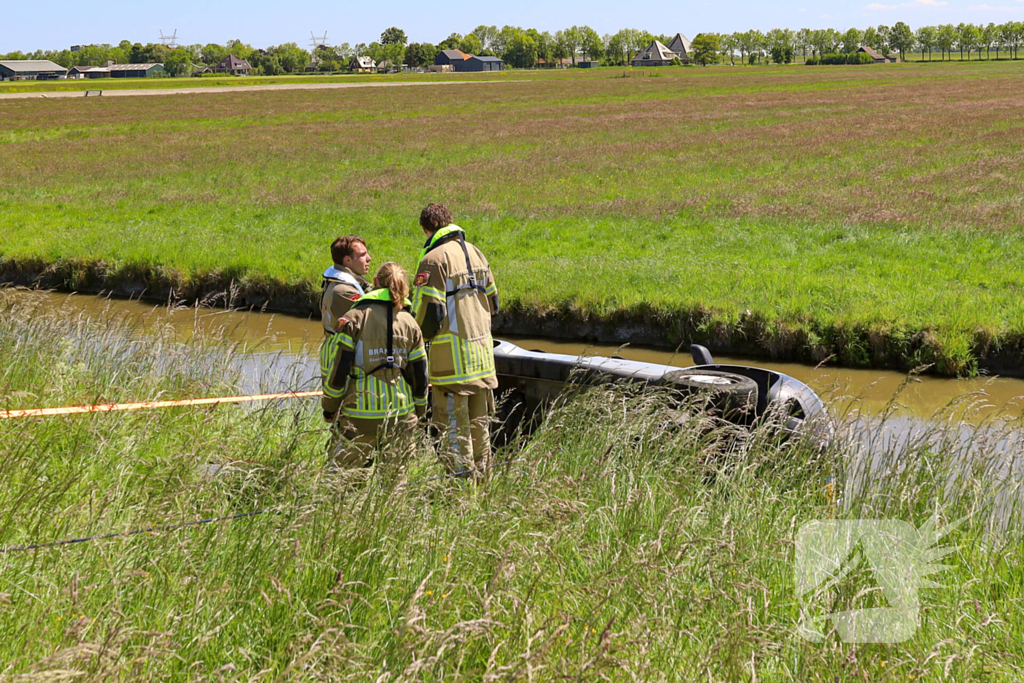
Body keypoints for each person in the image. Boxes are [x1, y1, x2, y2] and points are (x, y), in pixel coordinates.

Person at [411, 203, 500, 476]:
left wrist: (412, 342)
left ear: (427, 229)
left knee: (453, 432)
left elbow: (428, 315)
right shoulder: (476, 252)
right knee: (479, 430)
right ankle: (483, 486)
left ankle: (459, 495)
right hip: (483, 363)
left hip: (452, 368)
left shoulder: (433, 259)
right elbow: (494, 304)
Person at [321, 262, 429, 468]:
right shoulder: (410, 322)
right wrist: (420, 410)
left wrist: (330, 408)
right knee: (395, 484)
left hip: (359, 413)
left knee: (345, 481)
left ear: (376, 282)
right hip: (401, 413)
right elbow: (420, 374)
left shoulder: (354, 318)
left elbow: (339, 369)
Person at [320, 235, 372, 336]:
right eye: (363, 255)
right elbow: (373, 320)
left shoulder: (344, 282)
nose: (369, 258)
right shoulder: (343, 291)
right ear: (347, 260)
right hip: (343, 350)